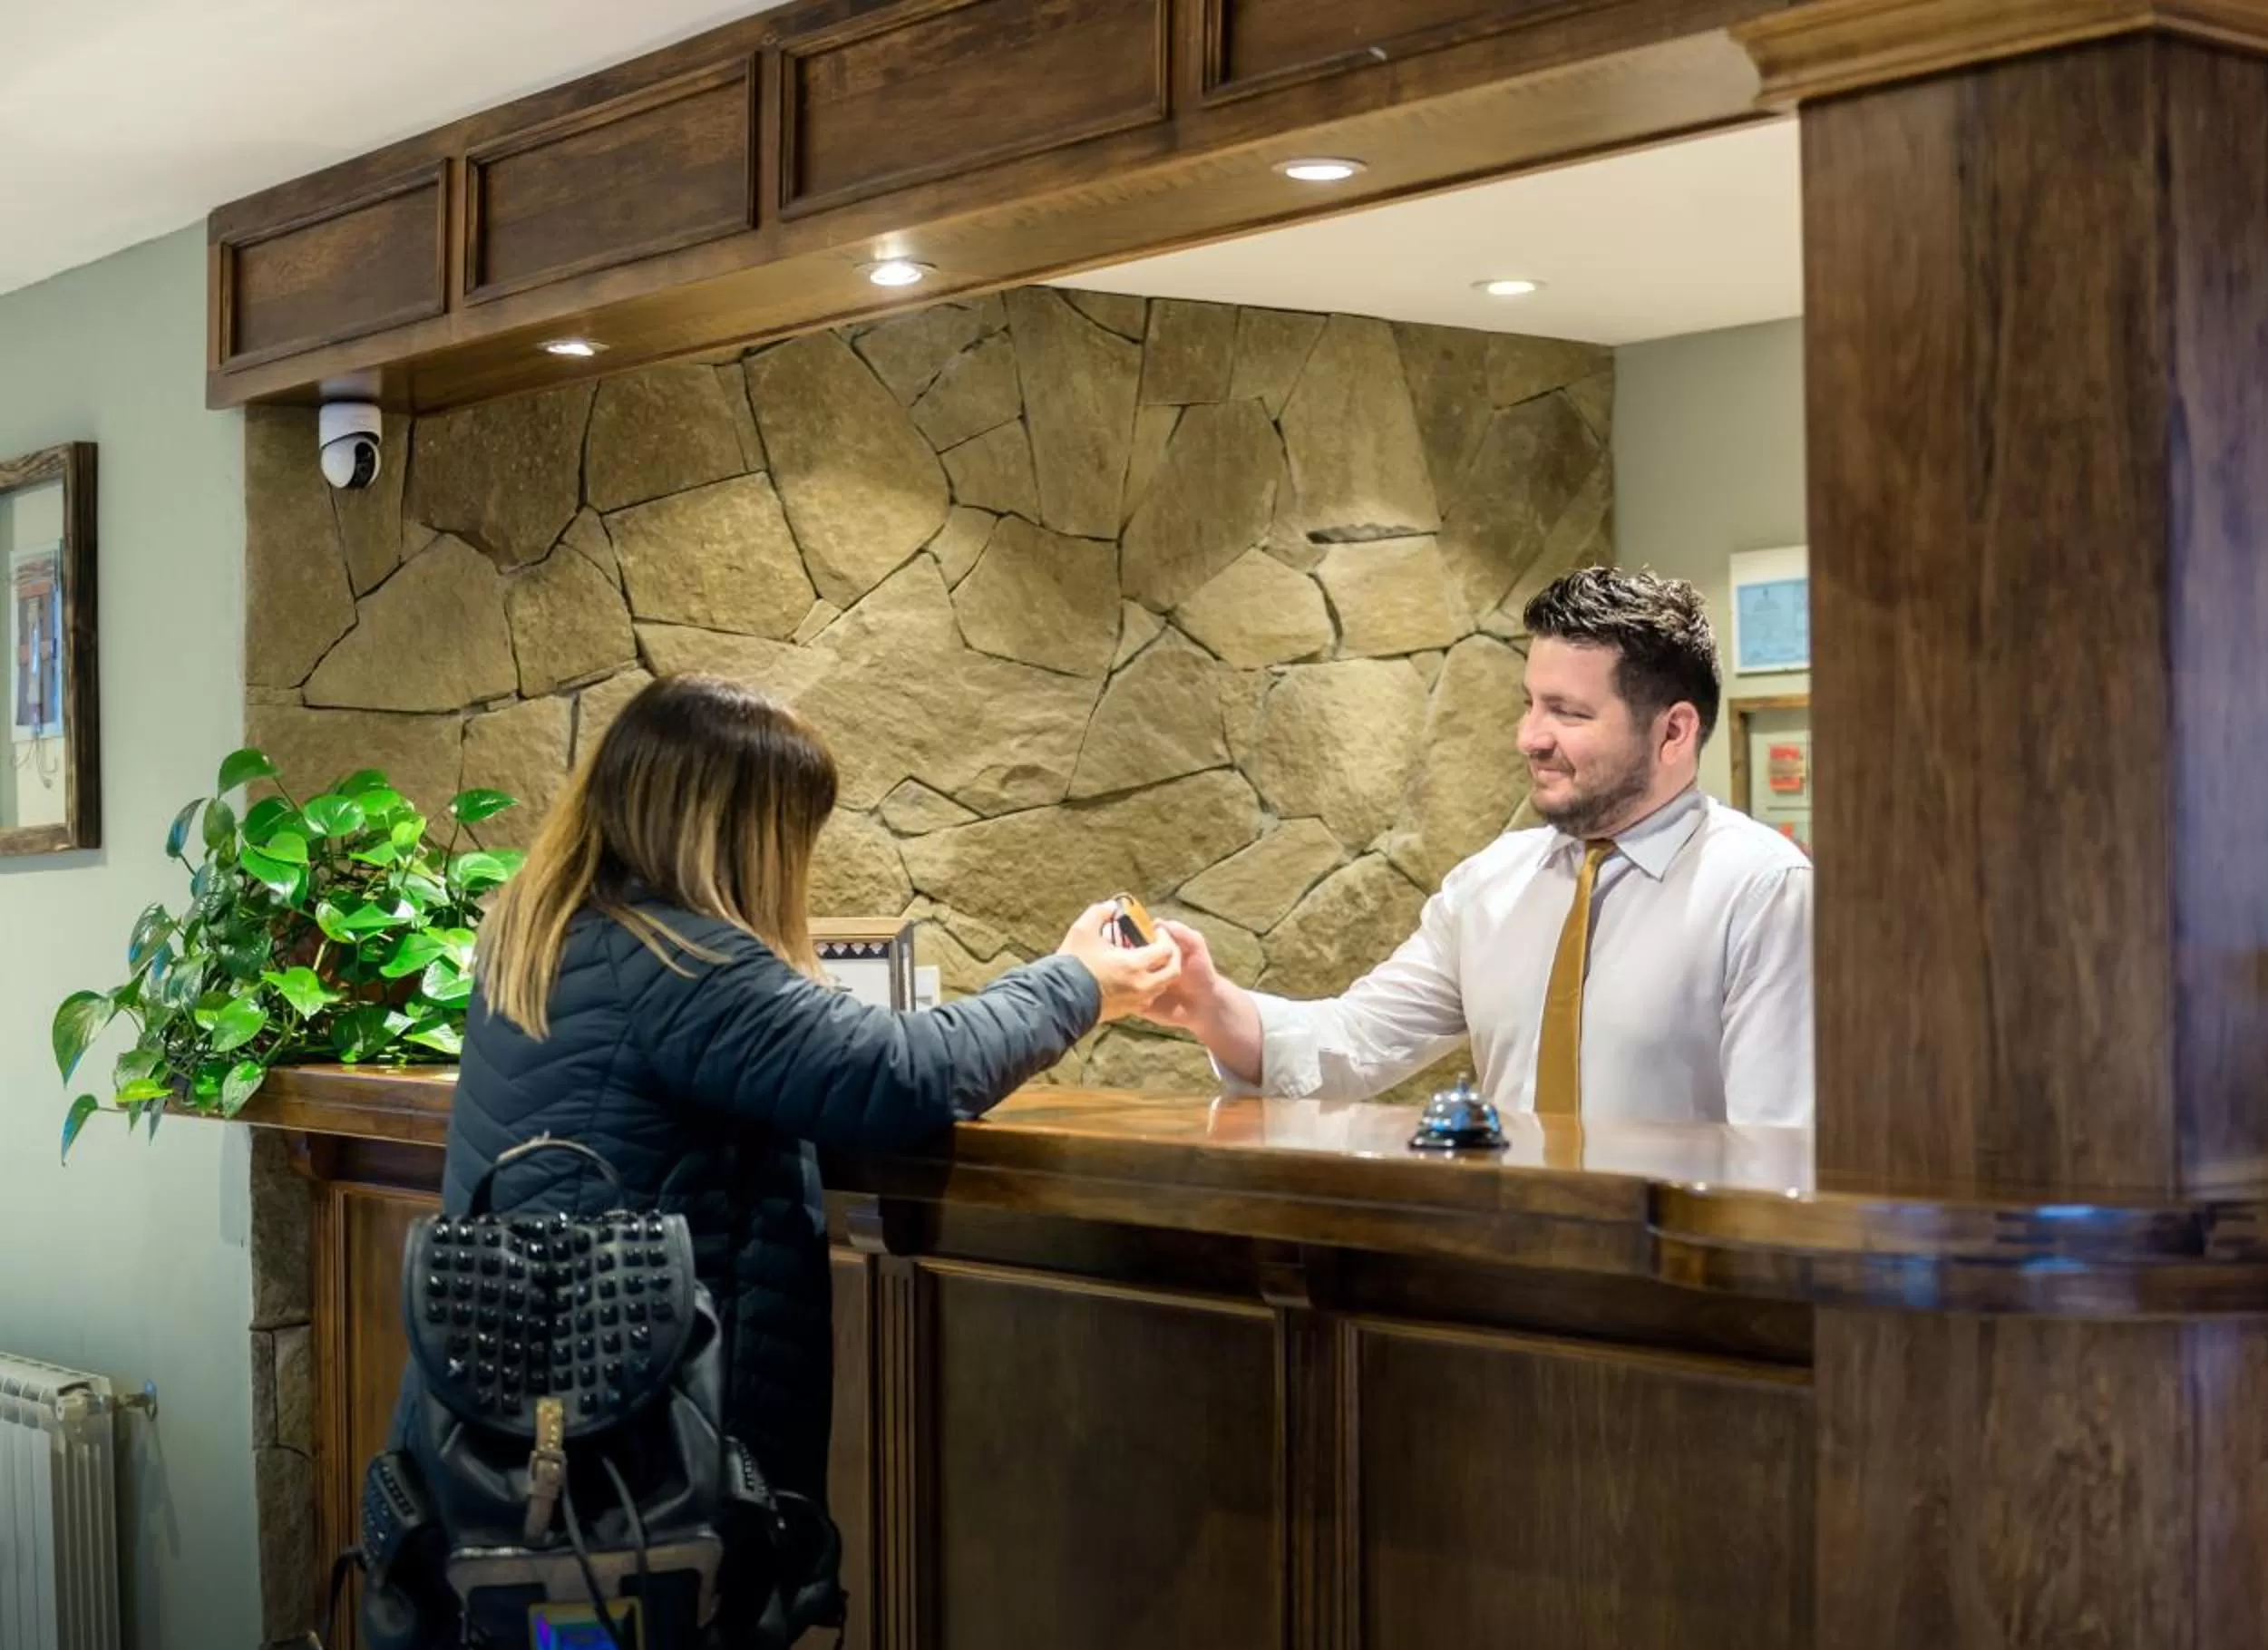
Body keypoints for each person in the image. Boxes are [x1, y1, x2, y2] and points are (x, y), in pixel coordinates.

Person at [423, 673, 1180, 1511]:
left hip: (535, 1436)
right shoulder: (681, 965)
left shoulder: (546, 929)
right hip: (639, 1471)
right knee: (669, 1643)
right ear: (742, 832)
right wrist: (1079, 980)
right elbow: (906, 1072)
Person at [1147, 566, 1811, 1127]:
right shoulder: (1489, 884)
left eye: (1567, 712)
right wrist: (1213, 1005)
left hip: (1676, 1278)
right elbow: (1354, 1044)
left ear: (1674, 732)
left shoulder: (1764, 892)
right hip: (1505, 1266)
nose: (1530, 736)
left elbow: (1776, 1149)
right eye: (1529, 704)